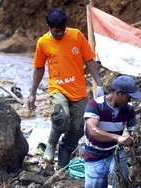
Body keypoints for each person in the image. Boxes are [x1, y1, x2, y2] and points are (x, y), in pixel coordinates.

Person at [27, 8, 103, 168]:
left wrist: (100, 84)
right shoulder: (43, 42)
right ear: (49, 27)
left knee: (80, 127)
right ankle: (51, 144)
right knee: (62, 117)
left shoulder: (76, 36)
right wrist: (32, 93)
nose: (60, 33)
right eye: (56, 31)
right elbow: (39, 68)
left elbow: (89, 60)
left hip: (78, 90)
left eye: (62, 30)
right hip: (58, 88)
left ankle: (63, 160)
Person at [81, 75, 141, 188]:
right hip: (94, 154)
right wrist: (118, 137)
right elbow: (93, 131)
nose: (130, 100)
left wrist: (131, 138)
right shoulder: (94, 105)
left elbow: (136, 132)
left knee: (123, 184)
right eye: (128, 97)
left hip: (114, 153)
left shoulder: (128, 109)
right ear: (118, 94)